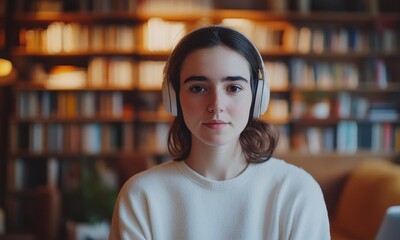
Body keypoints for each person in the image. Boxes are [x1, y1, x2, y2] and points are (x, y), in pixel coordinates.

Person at [109, 25, 330, 240]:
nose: (216, 105)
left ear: (257, 97)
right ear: (174, 98)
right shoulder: (141, 196)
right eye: (198, 88)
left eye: (233, 88)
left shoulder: (297, 192)